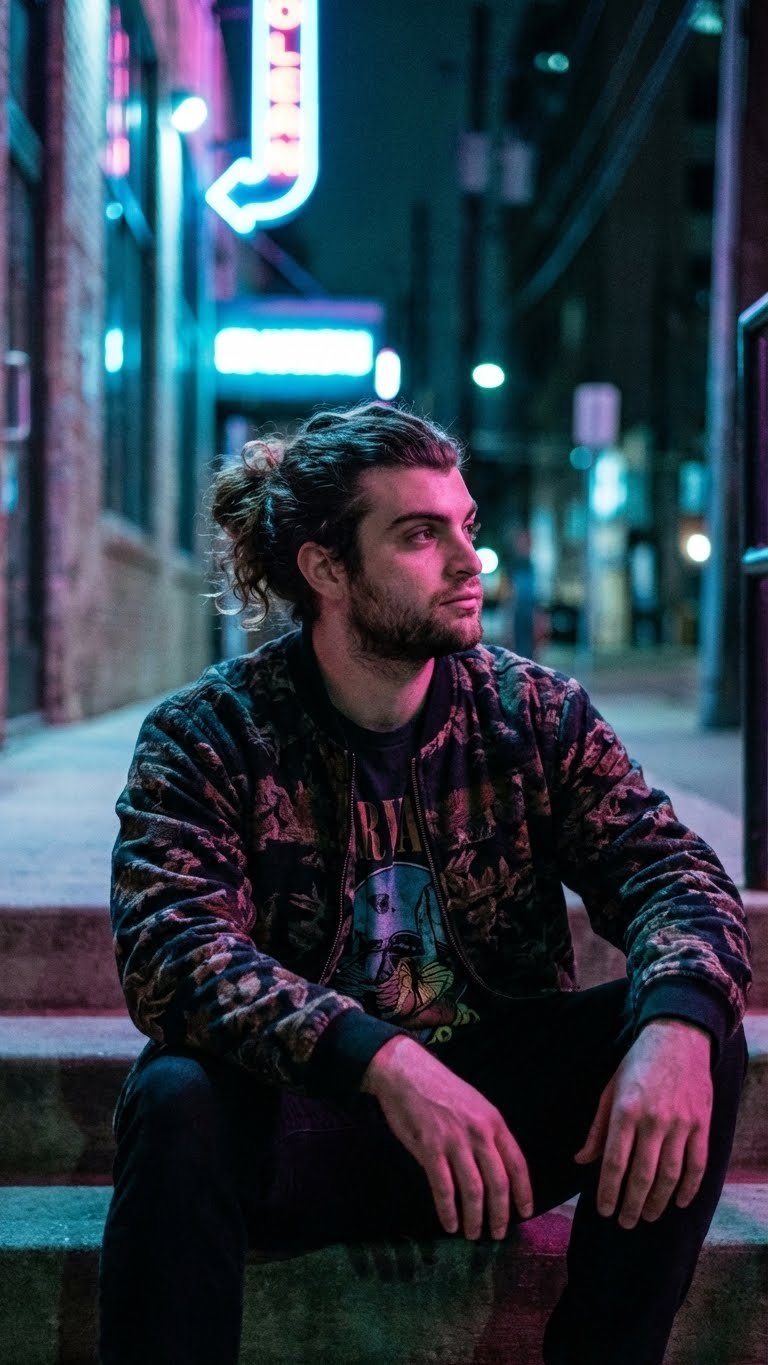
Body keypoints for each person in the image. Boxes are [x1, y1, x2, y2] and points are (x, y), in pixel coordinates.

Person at [99, 403, 750, 1365]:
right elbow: (172, 950)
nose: (466, 561)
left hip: (493, 1127)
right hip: (306, 1121)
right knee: (176, 1095)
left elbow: (673, 871)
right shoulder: (209, 733)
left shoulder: (532, 711)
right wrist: (381, 1060)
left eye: (466, 528)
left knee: (701, 1035)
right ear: (326, 568)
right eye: (419, 534)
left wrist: (678, 1022)